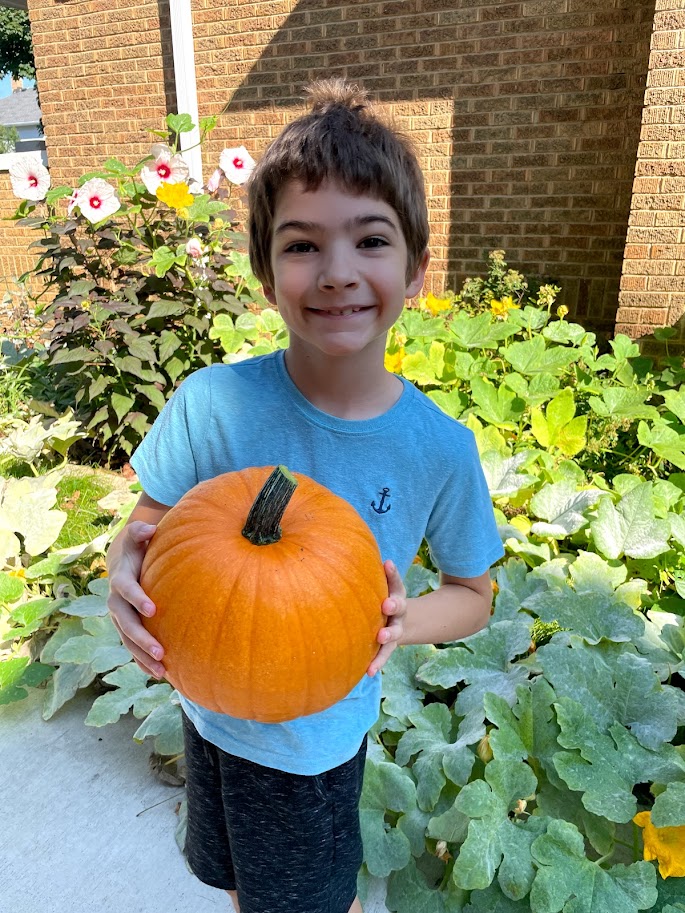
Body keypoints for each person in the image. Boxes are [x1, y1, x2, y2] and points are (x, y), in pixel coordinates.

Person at [106, 79, 504, 913]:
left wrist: (402, 620)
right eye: (300, 246)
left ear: (417, 268)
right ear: (263, 269)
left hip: (311, 749)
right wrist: (124, 565)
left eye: (369, 240)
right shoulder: (213, 404)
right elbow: (149, 524)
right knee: (237, 881)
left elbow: (473, 594)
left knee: (309, 901)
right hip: (210, 717)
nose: (335, 273)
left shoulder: (438, 447)